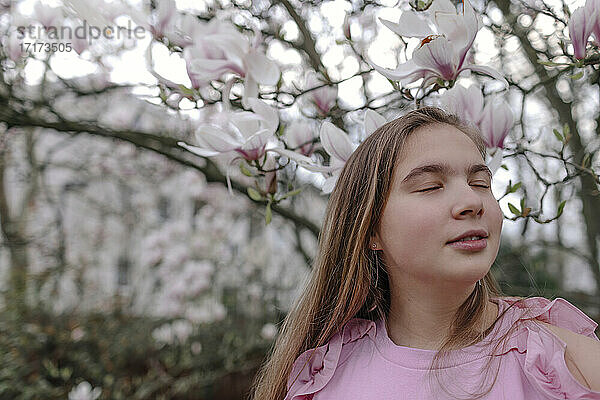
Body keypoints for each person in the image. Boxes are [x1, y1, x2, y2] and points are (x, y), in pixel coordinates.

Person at [249, 107, 600, 399]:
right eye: (431, 186)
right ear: (371, 229)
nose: (471, 201)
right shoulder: (321, 378)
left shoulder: (564, 365)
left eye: (481, 184)